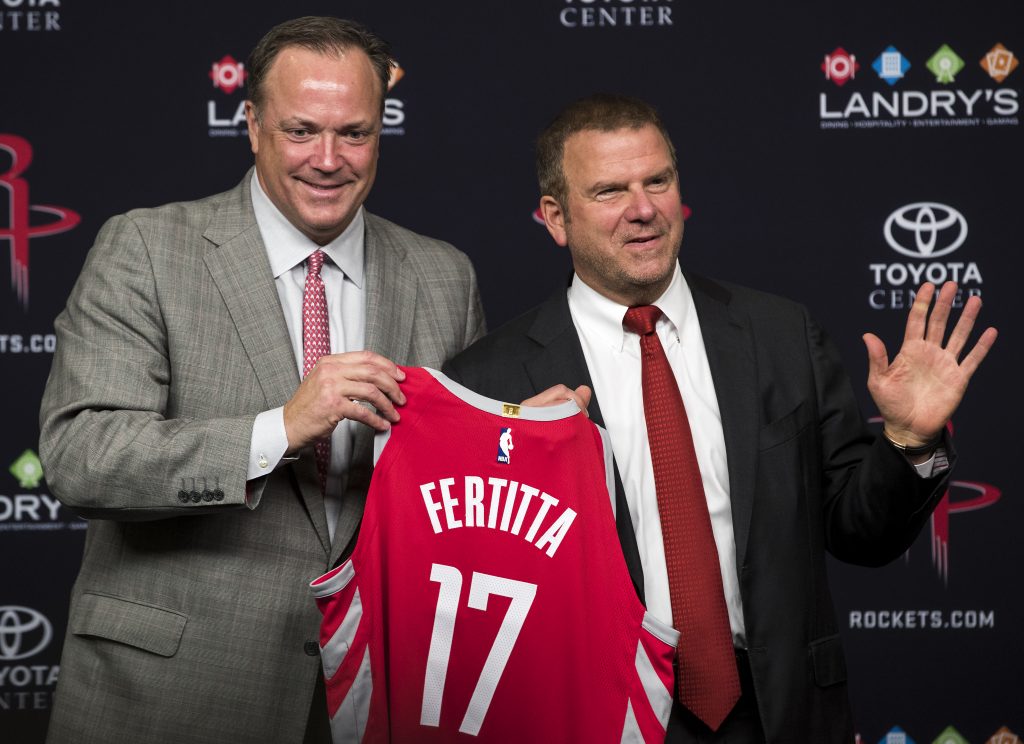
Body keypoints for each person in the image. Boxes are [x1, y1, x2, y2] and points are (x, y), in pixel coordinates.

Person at [443, 94, 996, 743]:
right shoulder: (490, 380)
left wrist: (908, 439)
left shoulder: (781, 335)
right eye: (610, 191)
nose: (643, 209)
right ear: (556, 218)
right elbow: (469, 590)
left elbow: (860, 534)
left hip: (776, 714)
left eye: (657, 181)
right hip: (596, 719)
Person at [39, 16, 483, 744]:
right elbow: (84, 457)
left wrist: (518, 435)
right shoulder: (145, 248)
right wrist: (279, 429)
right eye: (301, 130)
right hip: (173, 694)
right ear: (251, 125)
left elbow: (460, 492)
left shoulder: (443, 275)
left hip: (377, 694)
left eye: (355, 133)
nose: (328, 159)